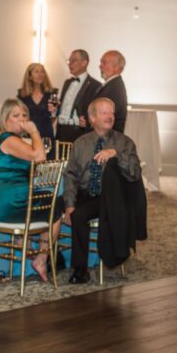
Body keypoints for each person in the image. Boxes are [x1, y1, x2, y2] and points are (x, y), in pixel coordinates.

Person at [62, 97, 142, 284]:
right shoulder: (81, 143)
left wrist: (116, 154)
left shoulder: (124, 143)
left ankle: (80, 269)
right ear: (92, 117)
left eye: (112, 112)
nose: (110, 116)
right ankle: (51, 257)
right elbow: (70, 175)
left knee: (79, 215)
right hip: (83, 193)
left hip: (108, 198)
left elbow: (135, 173)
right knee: (50, 206)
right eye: (104, 112)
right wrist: (69, 204)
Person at [0, 98, 56, 282]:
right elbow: (39, 157)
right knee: (57, 204)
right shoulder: (8, 139)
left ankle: (24, 243)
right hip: (8, 203)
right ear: (5, 118)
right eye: (15, 115)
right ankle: (41, 258)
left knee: (42, 197)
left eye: (24, 115)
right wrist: (34, 131)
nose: (22, 119)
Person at [55, 49, 101, 144]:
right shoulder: (67, 83)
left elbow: (96, 112)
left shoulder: (95, 85)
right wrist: (55, 109)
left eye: (73, 61)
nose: (70, 64)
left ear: (84, 63)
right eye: (69, 61)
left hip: (80, 132)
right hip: (61, 131)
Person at [16, 62, 56, 150]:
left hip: (46, 134)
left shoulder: (51, 93)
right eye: (37, 72)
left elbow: (54, 117)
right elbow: (19, 117)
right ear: (30, 76)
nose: (40, 74)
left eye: (42, 72)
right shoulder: (22, 95)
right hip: (28, 134)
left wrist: (54, 112)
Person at [87, 50, 128, 133]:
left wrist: (89, 120)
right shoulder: (114, 84)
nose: (100, 66)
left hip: (105, 137)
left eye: (104, 62)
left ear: (116, 67)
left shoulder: (114, 87)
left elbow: (103, 116)